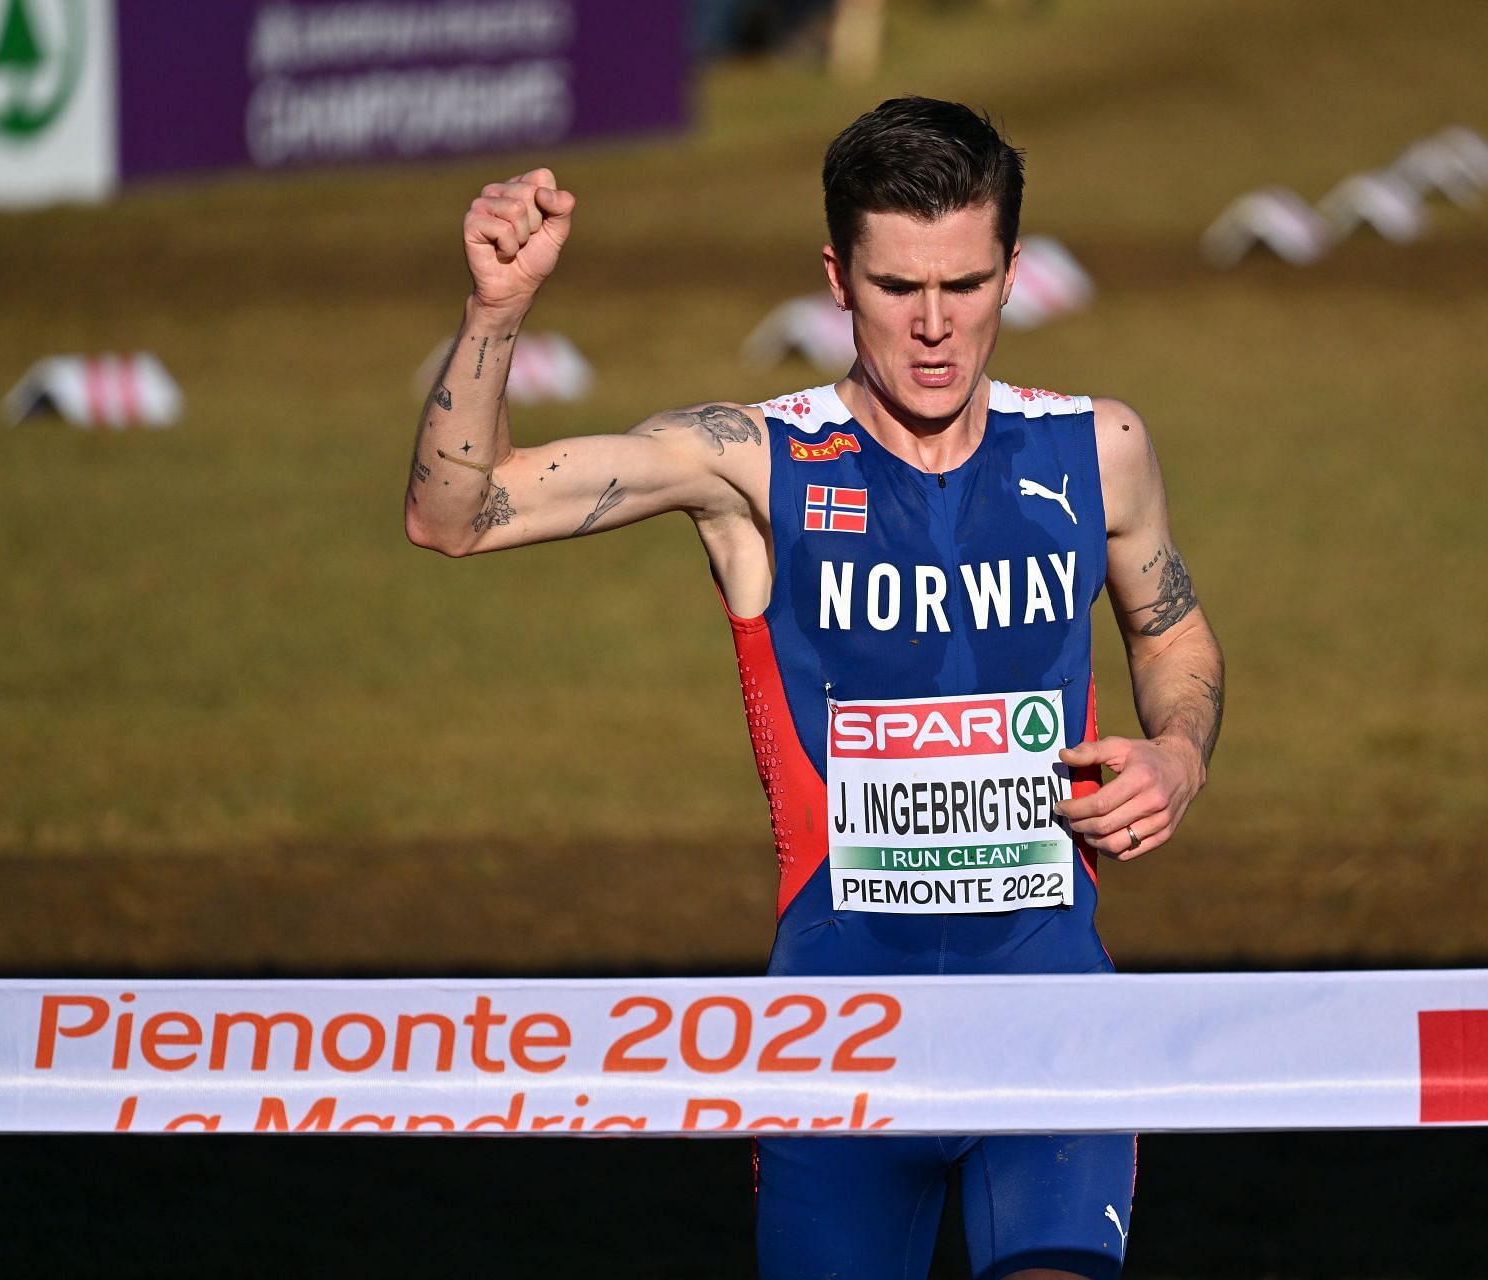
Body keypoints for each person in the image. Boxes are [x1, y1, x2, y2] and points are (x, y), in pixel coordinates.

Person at [405, 96, 1223, 1280]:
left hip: (1051, 1028)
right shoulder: (751, 462)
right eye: (899, 288)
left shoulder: (1098, 449)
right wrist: (497, 310)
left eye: (968, 284)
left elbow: (1174, 630)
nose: (936, 327)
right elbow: (454, 514)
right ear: (837, 279)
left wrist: (1180, 754)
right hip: (831, 1037)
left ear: (1011, 273)